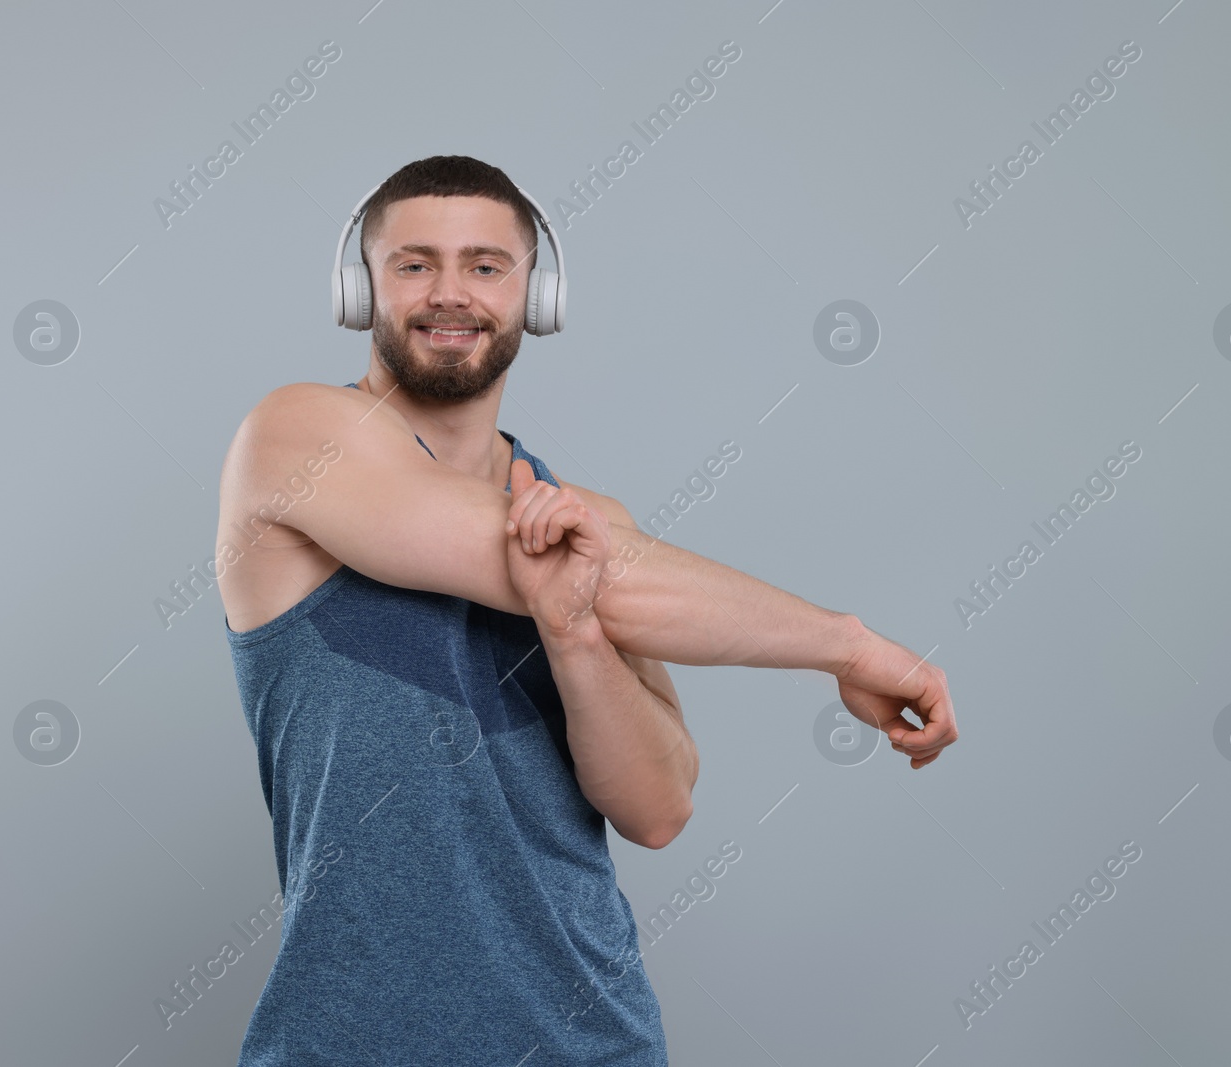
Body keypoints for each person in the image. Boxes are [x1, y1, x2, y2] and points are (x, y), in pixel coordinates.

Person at [215, 154, 956, 1065]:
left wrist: (573, 639)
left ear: (538, 293)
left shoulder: (596, 522)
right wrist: (847, 646)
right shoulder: (297, 436)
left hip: (592, 1042)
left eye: (486, 265)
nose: (451, 293)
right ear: (360, 286)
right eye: (414, 264)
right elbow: (582, 570)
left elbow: (657, 808)